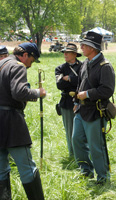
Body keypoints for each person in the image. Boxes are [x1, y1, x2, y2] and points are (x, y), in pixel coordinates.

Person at [0, 42, 46, 200]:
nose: (30, 65)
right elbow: (19, 92)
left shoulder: (1, 63)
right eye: (32, 61)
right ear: (25, 55)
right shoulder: (17, 66)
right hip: (11, 123)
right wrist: (37, 92)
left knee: (1, 170)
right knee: (27, 168)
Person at [72, 32, 115, 184]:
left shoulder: (105, 66)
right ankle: (86, 171)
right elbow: (80, 84)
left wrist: (88, 94)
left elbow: (107, 90)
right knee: (76, 141)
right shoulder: (85, 63)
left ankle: (103, 178)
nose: (81, 47)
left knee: (96, 147)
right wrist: (76, 102)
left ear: (93, 48)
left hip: (95, 112)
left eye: (84, 45)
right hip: (81, 110)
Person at [55, 43, 82, 157]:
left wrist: (69, 78)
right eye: (64, 52)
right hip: (67, 102)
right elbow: (60, 84)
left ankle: (83, 153)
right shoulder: (60, 68)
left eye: (68, 52)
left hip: (82, 101)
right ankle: (73, 154)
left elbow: (84, 81)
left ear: (74, 54)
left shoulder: (83, 66)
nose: (65, 54)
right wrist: (74, 81)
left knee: (83, 131)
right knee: (70, 130)